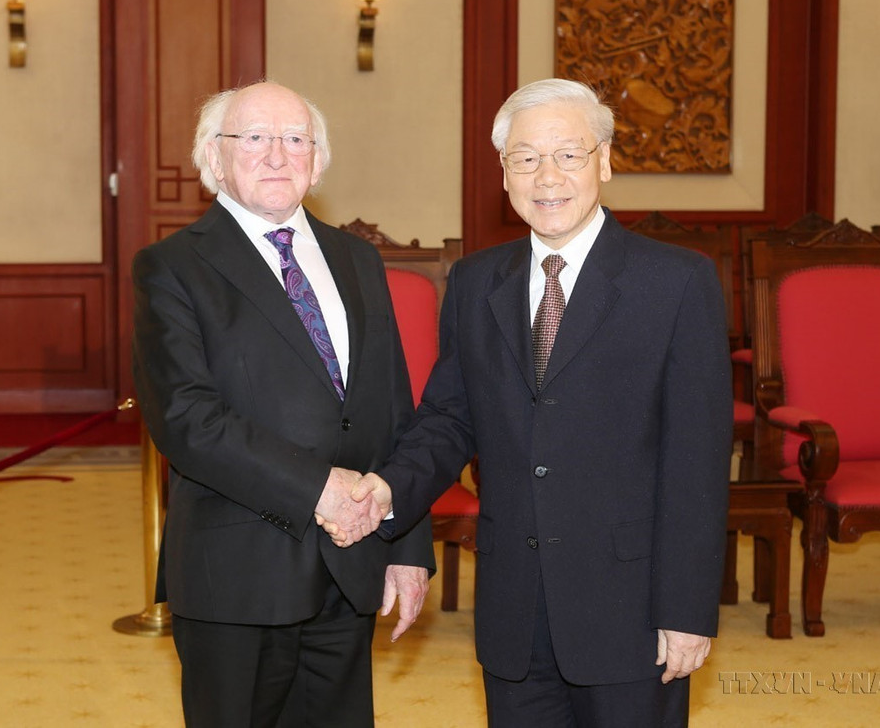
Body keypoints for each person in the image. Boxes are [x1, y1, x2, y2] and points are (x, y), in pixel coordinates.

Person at [329, 78, 732, 726]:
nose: (548, 176)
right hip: (514, 604)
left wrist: (686, 609)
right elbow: (448, 418)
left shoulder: (676, 282)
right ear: (505, 173)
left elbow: (698, 462)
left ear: (604, 159)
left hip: (629, 608)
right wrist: (384, 488)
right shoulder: (475, 281)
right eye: (526, 157)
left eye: (568, 154)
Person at [131, 80, 434, 728]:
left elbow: (391, 414)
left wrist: (407, 543)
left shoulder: (358, 259)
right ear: (214, 158)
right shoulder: (172, 266)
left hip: (350, 567)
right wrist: (318, 488)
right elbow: (188, 419)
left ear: (317, 160)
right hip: (237, 576)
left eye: (296, 139)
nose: (277, 154)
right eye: (255, 138)